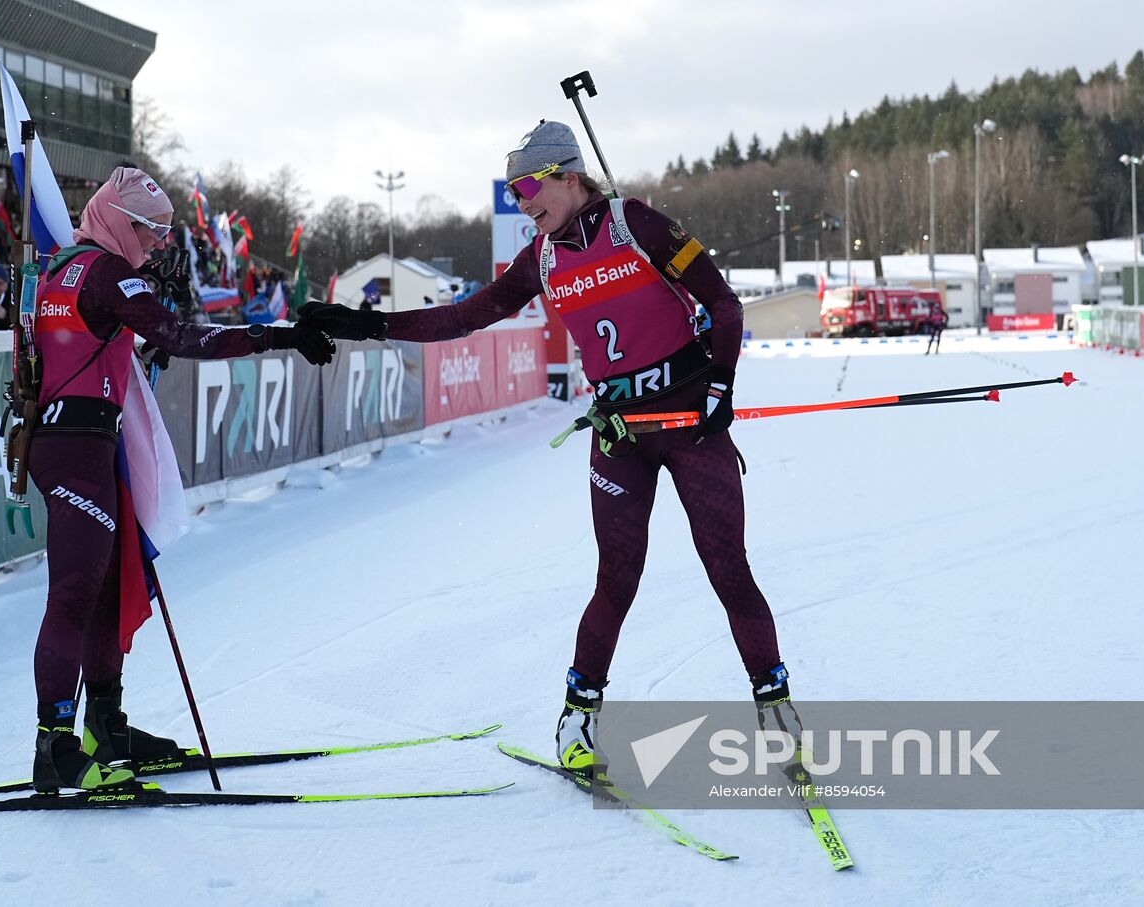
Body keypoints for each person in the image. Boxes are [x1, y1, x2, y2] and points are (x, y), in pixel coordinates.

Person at [305, 121, 792, 775]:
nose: (522, 202)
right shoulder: (541, 257)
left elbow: (723, 305)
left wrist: (722, 387)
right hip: (620, 436)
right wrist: (367, 323)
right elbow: (463, 316)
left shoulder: (636, 225)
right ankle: (578, 719)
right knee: (615, 578)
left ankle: (776, 710)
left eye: (531, 186)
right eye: (512, 192)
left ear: (569, 174)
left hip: (689, 426)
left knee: (728, 570)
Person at [25, 167, 334, 792]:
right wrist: (277, 335)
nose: (160, 242)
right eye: (150, 230)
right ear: (119, 220)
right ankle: (54, 750)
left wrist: (139, 349)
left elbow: (82, 340)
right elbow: (186, 335)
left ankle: (105, 729)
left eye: (165, 231)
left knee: (107, 594)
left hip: (76, 441)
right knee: (75, 596)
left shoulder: (62, 264)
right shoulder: (109, 272)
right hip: (77, 450)